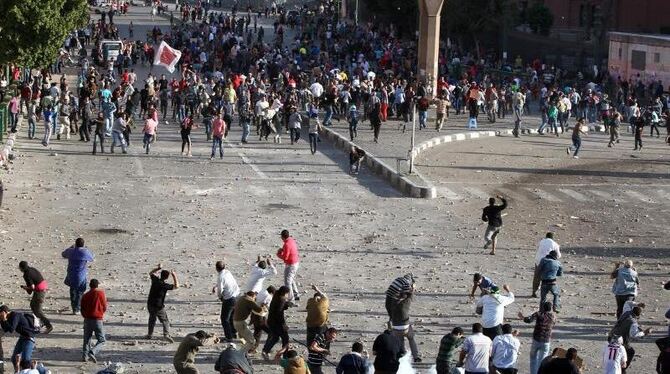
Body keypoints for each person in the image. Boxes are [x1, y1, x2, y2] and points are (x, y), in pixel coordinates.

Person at [608, 306, 652, 373]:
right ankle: (622, 369)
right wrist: (645, 332)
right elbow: (634, 335)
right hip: (620, 340)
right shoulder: (633, 322)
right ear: (638, 315)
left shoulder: (626, 313)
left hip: (612, 336)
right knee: (630, 352)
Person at [519, 301, 556, 374]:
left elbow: (529, 320)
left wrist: (522, 317)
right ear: (550, 308)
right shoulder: (553, 316)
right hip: (546, 341)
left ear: (543, 308)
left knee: (533, 359)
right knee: (542, 362)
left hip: (536, 340)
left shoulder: (539, 314)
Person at [146, 264, 179, 343]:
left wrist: (158, 268)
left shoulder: (155, 280)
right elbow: (177, 286)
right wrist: (174, 276)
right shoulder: (165, 285)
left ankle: (150, 335)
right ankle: (166, 334)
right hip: (159, 306)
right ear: (167, 277)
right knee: (165, 321)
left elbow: (150, 273)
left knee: (152, 319)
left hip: (150, 304)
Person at [0, 305, 38, 372]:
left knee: (25, 360)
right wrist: (2, 320)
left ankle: (35, 370)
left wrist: (4, 319)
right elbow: (6, 329)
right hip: (22, 337)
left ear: (5, 312)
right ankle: (18, 371)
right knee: (14, 358)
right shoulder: (7, 317)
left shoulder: (15, 315)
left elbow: (11, 329)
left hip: (29, 338)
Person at [61, 238, 94, 314]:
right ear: (83, 244)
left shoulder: (71, 251)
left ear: (75, 244)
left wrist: (70, 248)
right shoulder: (84, 252)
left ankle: (74, 308)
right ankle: (77, 308)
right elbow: (92, 257)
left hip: (71, 274)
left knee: (73, 291)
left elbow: (63, 254)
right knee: (80, 292)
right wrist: (86, 249)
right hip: (81, 275)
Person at [18, 261, 53, 334]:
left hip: (40, 292)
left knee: (38, 310)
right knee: (33, 306)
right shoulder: (32, 269)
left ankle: (48, 325)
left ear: (21, 268)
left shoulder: (26, 274)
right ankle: (40, 322)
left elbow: (32, 287)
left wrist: (25, 288)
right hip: (41, 288)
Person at [80, 278, 107, 363]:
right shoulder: (101, 293)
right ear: (97, 285)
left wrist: (85, 316)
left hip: (87, 319)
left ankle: (85, 356)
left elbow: (82, 309)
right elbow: (104, 306)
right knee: (102, 340)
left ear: (90, 285)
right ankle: (93, 352)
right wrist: (100, 313)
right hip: (97, 320)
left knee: (87, 339)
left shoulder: (85, 295)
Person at [213, 261, 240, 341]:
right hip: (237, 295)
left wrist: (220, 297)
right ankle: (234, 333)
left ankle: (229, 337)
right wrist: (216, 286)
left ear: (216, 268)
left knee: (224, 319)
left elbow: (220, 290)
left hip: (229, 299)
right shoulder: (227, 272)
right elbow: (227, 282)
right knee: (232, 316)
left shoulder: (220, 277)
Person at [262, 286, 291, 360]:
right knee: (285, 339)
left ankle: (265, 350)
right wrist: (283, 325)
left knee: (275, 338)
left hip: (271, 321)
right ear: (285, 293)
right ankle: (285, 356)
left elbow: (276, 307)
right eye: (287, 294)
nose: (288, 295)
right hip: (277, 323)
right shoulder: (281, 300)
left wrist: (286, 304)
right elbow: (279, 314)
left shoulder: (276, 295)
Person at [532, 233, 561, 297]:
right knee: (548, 277)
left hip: (538, 261)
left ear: (546, 237)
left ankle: (534, 291)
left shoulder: (541, 241)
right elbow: (558, 255)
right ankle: (547, 292)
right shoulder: (555, 244)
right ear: (552, 238)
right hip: (548, 263)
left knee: (537, 277)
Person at [277, 229, 300, 305]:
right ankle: (296, 294)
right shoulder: (291, 240)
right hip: (295, 262)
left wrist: (278, 254)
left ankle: (291, 300)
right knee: (291, 279)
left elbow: (285, 257)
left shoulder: (286, 244)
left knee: (287, 282)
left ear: (282, 237)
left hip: (291, 264)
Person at [251, 285, 275, 353]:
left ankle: (252, 348)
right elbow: (264, 305)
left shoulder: (262, 291)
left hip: (254, 315)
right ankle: (266, 349)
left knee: (257, 333)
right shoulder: (269, 296)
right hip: (260, 317)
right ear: (272, 293)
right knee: (271, 333)